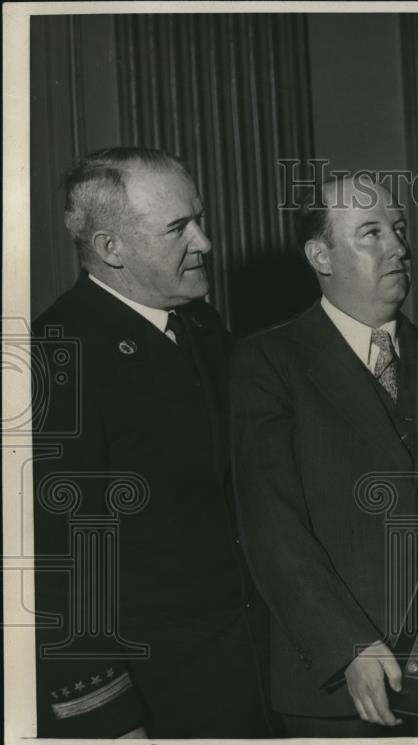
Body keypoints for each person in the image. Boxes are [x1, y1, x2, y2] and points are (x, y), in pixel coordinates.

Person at [31, 147, 275, 738]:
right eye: (178, 228)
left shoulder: (200, 326)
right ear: (111, 248)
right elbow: (54, 563)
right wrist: (108, 718)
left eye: (200, 218)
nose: (206, 242)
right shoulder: (57, 355)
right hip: (154, 694)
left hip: (243, 669)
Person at [229, 176, 418, 737]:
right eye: (371, 233)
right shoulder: (269, 362)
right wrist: (347, 644)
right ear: (320, 255)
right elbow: (271, 526)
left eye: (399, 229)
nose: (399, 247)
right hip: (339, 687)